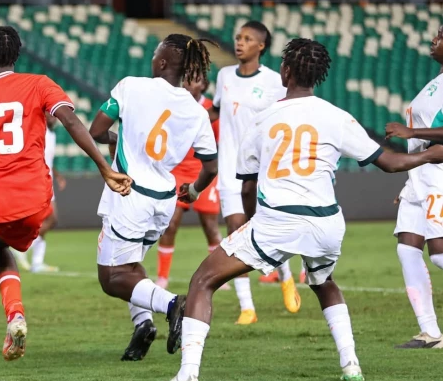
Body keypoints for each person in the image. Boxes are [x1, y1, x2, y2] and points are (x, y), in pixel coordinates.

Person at [159, 39, 443, 381]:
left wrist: (252, 224)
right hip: (326, 223)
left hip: (277, 220)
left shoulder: (263, 119)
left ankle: (188, 376)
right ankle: (351, 364)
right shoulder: (337, 116)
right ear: (318, 76)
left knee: (202, 280)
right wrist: (430, 156)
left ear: (286, 71)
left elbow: (247, 188)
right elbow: (389, 162)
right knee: (324, 283)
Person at [0, 26, 131, 381]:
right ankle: (14, 313)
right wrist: (104, 168)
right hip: (33, 198)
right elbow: (72, 121)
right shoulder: (40, 83)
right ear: (17, 55)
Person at [88, 34, 219, 362]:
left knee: (111, 277)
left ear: (161, 62)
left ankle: (174, 305)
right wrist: (194, 190)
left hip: (129, 193)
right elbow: (211, 164)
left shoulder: (131, 86)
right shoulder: (196, 110)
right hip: (163, 199)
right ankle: (142, 324)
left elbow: (96, 131)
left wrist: (115, 140)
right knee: (131, 268)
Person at [211, 21, 300, 324]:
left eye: (247, 39)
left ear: (261, 46)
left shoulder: (275, 82)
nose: (240, 43)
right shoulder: (224, 76)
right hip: (228, 169)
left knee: (265, 227)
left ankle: (285, 276)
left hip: (260, 169)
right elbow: (216, 111)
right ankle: (247, 307)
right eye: (238, 37)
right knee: (236, 233)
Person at [385, 23, 443, 349]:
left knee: (438, 255)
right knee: (407, 249)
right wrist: (412, 180)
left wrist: (412, 134)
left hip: (439, 175)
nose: (434, 40)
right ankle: (431, 333)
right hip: (420, 178)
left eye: (441, 36)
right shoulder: (435, 83)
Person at [155, 75, 222, 291]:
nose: (187, 84)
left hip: (205, 172)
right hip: (177, 171)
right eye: (186, 79)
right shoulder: (174, 105)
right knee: (170, 224)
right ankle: (163, 277)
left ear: (204, 84)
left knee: (210, 226)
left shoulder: (212, 109)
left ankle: (218, 276)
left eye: (194, 80)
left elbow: (220, 142)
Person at [13, 111, 66, 273]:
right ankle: (23, 248)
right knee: (51, 219)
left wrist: (57, 175)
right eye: (50, 115)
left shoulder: (51, 133)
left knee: (47, 221)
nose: (54, 118)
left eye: (55, 116)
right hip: (38, 182)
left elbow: (47, 158)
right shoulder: (40, 131)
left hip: (47, 180)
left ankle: (36, 262)